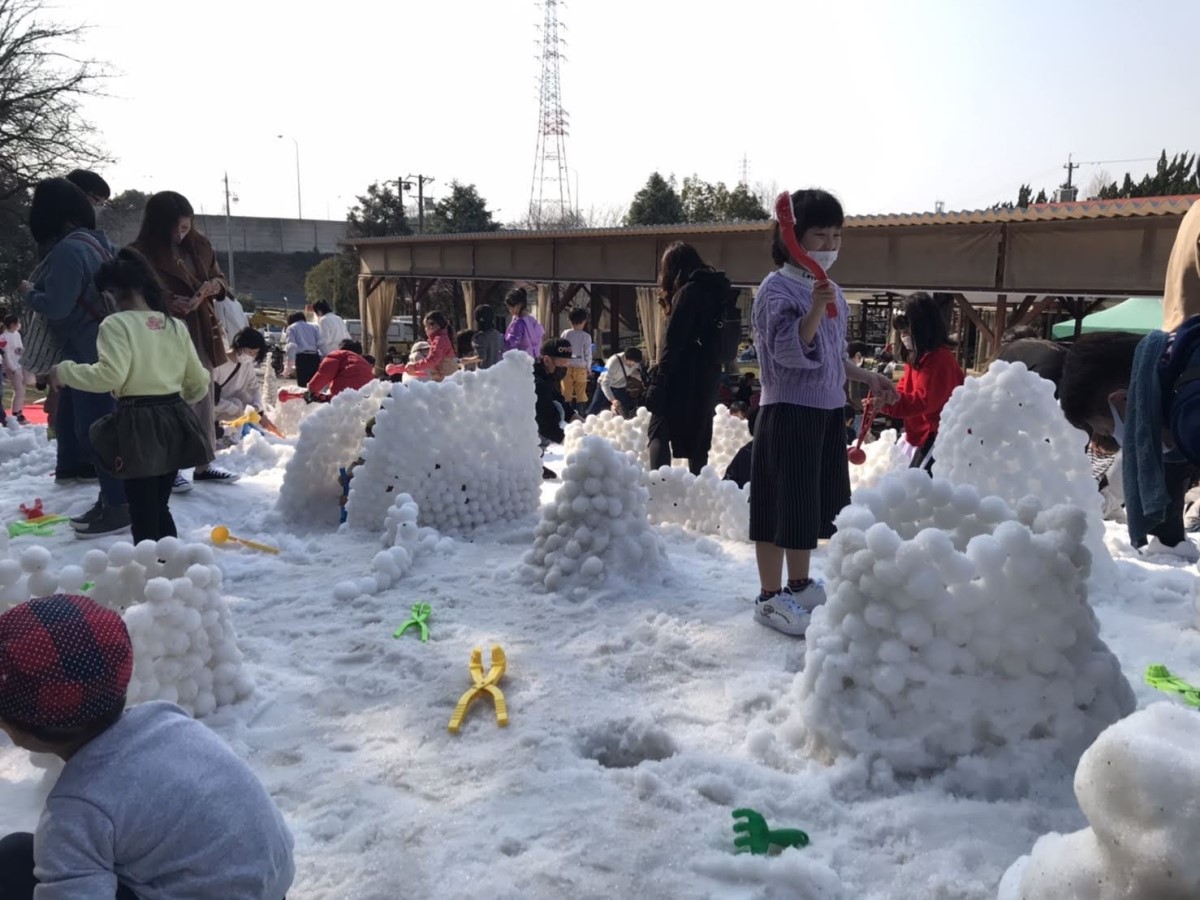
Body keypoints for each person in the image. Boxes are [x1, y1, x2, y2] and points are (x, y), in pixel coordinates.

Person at [0, 594, 295, 899]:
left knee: (13, 860)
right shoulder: (167, 719)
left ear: (22, 731)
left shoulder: (77, 810)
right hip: (269, 883)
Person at [749, 188, 896, 637]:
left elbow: (831, 355)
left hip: (826, 411)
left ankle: (799, 582)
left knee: (808, 505)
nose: (829, 246)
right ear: (793, 237)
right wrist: (814, 307)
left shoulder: (833, 289)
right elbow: (790, 351)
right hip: (789, 411)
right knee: (780, 507)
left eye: (837, 236)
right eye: (820, 236)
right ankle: (770, 596)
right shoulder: (776, 290)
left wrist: (866, 377)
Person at [50, 249, 211, 543]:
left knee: (141, 508)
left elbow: (109, 376)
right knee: (160, 505)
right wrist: (179, 401)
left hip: (138, 424)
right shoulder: (174, 324)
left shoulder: (116, 324)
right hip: (175, 420)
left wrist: (65, 371)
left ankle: (150, 575)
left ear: (110, 294)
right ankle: (171, 571)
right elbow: (200, 380)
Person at [21, 178, 129, 530]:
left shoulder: (68, 250)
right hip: (112, 347)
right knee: (107, 426)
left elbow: (57, 306)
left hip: (86, 352)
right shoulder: (102, 243)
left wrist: (30, 293)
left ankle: (117, 504)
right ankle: (112, 499)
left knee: (95, 430)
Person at [1059, 330, 1200, 561]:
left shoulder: (1192, 414)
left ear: (1122, 400)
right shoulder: (1184, 359)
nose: (1117, 441)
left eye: (1107, 431)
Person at [131, 190, 239, 488]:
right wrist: (166, 300)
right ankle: (171, 466)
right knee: (170, 396)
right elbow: (131, 292)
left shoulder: (200, 245)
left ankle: (204, 462)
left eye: (185, 227)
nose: (180, 234)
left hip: (201, 328)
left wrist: (212, 287)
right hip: (161, 332)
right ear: (157, 224)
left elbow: (221, 279)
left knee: (202, 391)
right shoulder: (139, 252)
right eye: (174, 228)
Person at [644, 242, 735, 474]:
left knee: (658, 430)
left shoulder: (688, 292)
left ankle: (660, 490)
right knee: (699, 439)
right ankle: (698, 495)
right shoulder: (719, 291)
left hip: (681, 375)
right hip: (709, 374)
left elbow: (673, 342)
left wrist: (660, 378)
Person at [879, 293, 965, 472]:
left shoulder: (938, 360)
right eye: (901, 332)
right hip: (925, 435)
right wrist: (885, 397)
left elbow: (921, 401)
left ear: (922, 328)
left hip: (939, 436)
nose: (903, 337)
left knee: (918, 489)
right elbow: (903, 390)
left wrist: (888, 403)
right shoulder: (919, 357)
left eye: (906, 331)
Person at [213, 328, 276, 430]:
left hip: (233, 408)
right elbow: (209, 397)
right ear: (239, 345)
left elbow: (254, 388)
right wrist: (232, 408)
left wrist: (257, 406)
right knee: (237, 402)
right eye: (250, 352)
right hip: (215, 408)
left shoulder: (246, 365)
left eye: (255, 354)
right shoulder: (219, 363)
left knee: (245, 397)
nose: (251, 356)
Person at [534, 337, 574, 478]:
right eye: (562, 363)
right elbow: (546, 423)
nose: (565, 368)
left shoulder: (547, 375)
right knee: (557, 410)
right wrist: (572, 442)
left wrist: (576, 418)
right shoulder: (536, 383)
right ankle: (532, 462)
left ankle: (534, 460)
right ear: (547, 360)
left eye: (567, 363)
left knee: (560, 407)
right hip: (513, 430)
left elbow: (558, 397)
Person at [395, 311, 458, 382]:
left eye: (426, 327)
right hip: (446, 373)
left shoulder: (440, 340)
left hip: (448, 376)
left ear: (433, 327)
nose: (425, 329)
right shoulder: (440, 339)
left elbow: (433, 360)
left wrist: (415, 367)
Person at [305, 339, 375, 399]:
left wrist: (312, 390)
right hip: (365, 397)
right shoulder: (365, 363)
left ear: (341, 349)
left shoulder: (339, 355)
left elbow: (324, 374)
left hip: (342, 395)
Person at [586, 346, 644, 418]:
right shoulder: (613, 361)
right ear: (625, 358)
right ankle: (586, 421)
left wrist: (641, 379)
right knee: (595, 406)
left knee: (625, 408)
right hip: (604, 385)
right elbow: (605, 382)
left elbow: (634, 372)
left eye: (635, 364)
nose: (633, 365)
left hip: (619, 386)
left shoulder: (635, 362)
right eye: (631, 363)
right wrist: (613, 400)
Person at [560, 307, 593, 416]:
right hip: (581, 368)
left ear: (569, 320)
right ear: (584, 321)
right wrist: (589, 368)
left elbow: (561, 349)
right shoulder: (586, 336)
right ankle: (581, 416)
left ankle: (567, 416)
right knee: (581, 393)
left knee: (566, 392)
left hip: (566, 367)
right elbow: (588, 353)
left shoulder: (565, 333)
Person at [284, 311, 322, 388]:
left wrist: (289, 365)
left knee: (302, 385)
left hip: (302, 358)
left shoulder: (291, 328)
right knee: (314, 384)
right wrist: (324, 357)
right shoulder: (314, 327)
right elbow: (321, 343)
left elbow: (291, 346)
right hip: (315, 357)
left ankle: (305, 399)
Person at [504, 287, 544, 355]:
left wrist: (499, 339)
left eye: (510, 308)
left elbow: (511, 343)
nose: (510, 311)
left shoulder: (518, 323)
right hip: (533, 358)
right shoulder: (533, 320)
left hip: (520, 360)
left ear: (518, 306)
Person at [1, 315, 26, 424]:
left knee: (22, 389)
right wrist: (11, 368)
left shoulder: (17, 334)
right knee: (19, 390)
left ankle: (19, 411)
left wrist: (21, 351)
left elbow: (20, 347)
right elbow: (6, 355)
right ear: (12, 324)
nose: (18, 325)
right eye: (17, 323)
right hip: (12, 367)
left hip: (19, 364)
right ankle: (16, 414)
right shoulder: (3, 337)